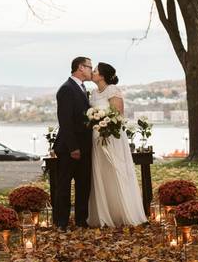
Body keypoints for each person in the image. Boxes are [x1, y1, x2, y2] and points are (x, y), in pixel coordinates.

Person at [87, 63, 148, 228]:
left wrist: (105, 125)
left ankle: (123, 212)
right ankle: (104, 214)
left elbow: (118, 116)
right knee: (100, 172)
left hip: (112, 137)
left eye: (95, 71)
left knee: (115, 169)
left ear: (102, 75)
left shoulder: (113, 90)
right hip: (96, 137)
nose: (92, 73)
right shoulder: (93, 93)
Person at [52, 57, 94, 230]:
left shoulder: (82, 89)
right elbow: (65, 121)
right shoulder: (66, 89)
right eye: (90, 67)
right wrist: (73, 147)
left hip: (84, 147)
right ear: (80, 67)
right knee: (64, 185)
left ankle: (81, 220)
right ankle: (61, 222)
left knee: (83, 185)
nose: (92, 70)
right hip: (70, 148)